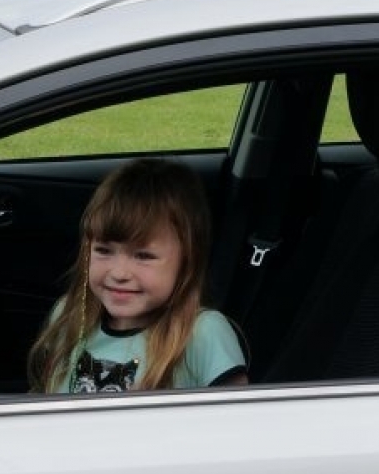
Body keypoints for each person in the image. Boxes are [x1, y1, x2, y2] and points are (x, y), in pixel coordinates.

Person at [28, 158, 248, 393]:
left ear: (187, 261)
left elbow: (239, 414)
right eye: (104, 251)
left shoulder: (203, 333)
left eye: (144, 256)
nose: (119, 273)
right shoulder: (70, 315)